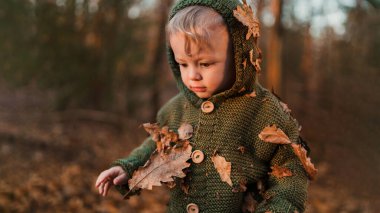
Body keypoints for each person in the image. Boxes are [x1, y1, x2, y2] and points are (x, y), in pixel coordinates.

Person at [96, 0, 313, 212]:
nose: (193, 76)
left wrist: (279, 206)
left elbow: (290, 168)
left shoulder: (263, 110)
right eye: (183, 64)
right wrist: (129, 168)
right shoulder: (176, 109)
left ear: (239, 55)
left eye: (205, 64)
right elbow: (155, 146)